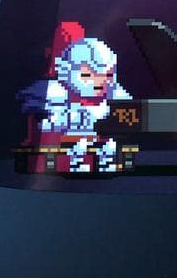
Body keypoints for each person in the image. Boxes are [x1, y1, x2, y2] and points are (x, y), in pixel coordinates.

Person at [17, 22, 131, 173]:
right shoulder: (56, 94)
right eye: (88, 75)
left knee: (109, 146)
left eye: (107, 75)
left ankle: (103, 163)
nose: (99, 81)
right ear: (67, 70)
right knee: (78, 146)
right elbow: (44, 123)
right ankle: (77, 164)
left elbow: (125, 115)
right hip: (68, 140)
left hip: (97, 140)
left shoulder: (112, 95)